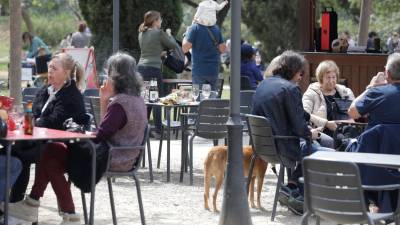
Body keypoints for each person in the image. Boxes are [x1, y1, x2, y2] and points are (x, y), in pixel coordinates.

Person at [7, 52, 147, 224]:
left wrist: (82, 135)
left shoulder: (120, 103)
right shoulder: (135, 100)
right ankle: (53, 210)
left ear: (116, 76)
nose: (106, 77)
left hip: (111, 157)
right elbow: (106, 131)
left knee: (51, 156)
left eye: (109, 73)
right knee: (51, 152)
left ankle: (46, 208)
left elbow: (101, 135)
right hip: (121, 155)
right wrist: (104, 100)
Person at [5, 52, 88, 224]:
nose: (49, 71)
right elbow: (33, 114)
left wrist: (32, 122)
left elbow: (53, 122)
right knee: (15, 150)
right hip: (41, 141)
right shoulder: (45, 90)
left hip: (64, 147)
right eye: (49, 67)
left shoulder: (71, 95)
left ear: (66, 73)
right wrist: (29, 122)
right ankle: (20, 206)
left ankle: (19, 206)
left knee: (20, 154)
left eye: (54, 68)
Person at [252, 51, 333, 215]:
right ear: (294, 71)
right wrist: (312, 134)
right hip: (283, 147)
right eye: (301, 73)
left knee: (323, 142)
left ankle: (293, 187)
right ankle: (296, 191)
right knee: (330, 152)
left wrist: (313, 122)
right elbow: (300, 128)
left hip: (262, 147)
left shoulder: (263, 85)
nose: (301, 77)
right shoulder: (290, 89)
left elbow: (296, 113)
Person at [138, 10, 176, 137]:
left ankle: (144, 130)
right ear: (155, 21)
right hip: (153, 69)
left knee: (146, 100)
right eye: (160, 19)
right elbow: (172, 45)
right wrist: (169, 34)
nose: (161, 22)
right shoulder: (159, 33)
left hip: (141, 69)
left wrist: (160, 54)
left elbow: (149, 51)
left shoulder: (141, 34)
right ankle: (159, 131)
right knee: (156, 100)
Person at [302, 60, 355, 147]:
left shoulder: (346, 92)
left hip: (347, 130)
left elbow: (355, 111)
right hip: (323, 131)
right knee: (344, 142)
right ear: (320, 78)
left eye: (333, 77)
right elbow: (304, 114)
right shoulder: (311, 93)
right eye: (328, 77)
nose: (331, 81)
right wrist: (326, 123)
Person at [348, 52, 400, 130]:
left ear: (387, 73)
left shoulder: (377, 93)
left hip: (377, 141)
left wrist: (370, 88)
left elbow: (352, 112)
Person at [182, 12, 226, 90]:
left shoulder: (194, 28)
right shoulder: (216, 29)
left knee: (198, 98)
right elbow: (223, 49)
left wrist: (186, 33)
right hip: (213, 70)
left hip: (199, 70)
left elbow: (185, 48)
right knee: (212, 98)